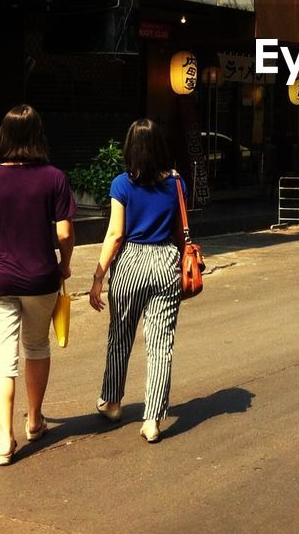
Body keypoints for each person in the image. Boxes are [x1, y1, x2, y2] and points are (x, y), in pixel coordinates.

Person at [0, 105, 75, 466]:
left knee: (1, 359)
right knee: (36, 346)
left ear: (3, 136)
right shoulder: (54, 177)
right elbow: (64, 232)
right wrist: (64, 265)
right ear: (38, 135)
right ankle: (35, 420)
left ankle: (6, 440)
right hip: (41, 278)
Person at [89, 119, 187, 444]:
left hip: (131, 260)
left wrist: (98, 276)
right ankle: (152, 420)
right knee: (161, 345)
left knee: (121, 335)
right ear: (160, 146)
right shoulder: (176, 183)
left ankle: (112, 403)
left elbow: (115, 234)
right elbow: (178, 231)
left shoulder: (122, 184)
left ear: (130, 147)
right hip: (165, 262)